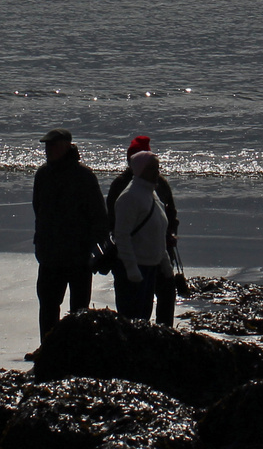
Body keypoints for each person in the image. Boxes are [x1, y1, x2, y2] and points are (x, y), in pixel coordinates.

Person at [31, 128, 107, 339]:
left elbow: (99, 216)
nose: (48, 150)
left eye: (52, 145)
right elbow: (38, 209)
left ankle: (77, 353)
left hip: (78, 257)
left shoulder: (84, 176)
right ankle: (47, 349)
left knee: (79, 312)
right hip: (50, 256)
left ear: (66, 146)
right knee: (48, 306)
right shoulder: (43, 174)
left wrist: (96, 249)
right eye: (47, 146)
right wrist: (41, 242)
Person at [108, 135, 179, 322]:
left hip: (153, 264)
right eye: (153, 168)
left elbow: (162, 227)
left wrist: (164, 261)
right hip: (135, 268)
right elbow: (120, 235)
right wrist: (132, 269)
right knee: (134, 318)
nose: (157, 172)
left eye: (157, 167)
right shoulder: (128, 196)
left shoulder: (154, 191)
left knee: (155, 309)